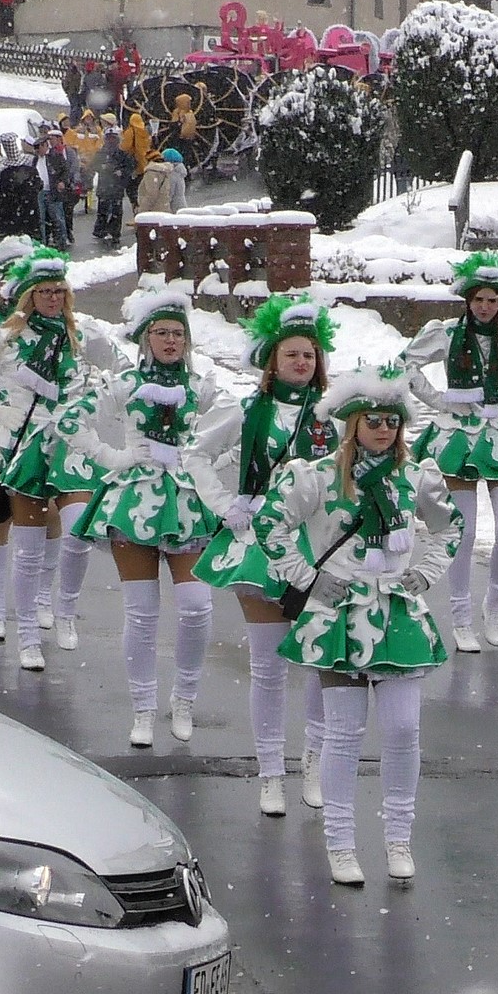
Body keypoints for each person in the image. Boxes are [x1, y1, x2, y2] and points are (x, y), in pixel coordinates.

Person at [257, 363, 463, 887]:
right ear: (352, 425)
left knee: (402, 729)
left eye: (391, 421)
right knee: (344, 734)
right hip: (340, 614)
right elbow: (269, 522)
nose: (383, 429)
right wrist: (308, 577)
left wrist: (424, 573)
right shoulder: (321, 475)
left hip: (397, 611)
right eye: (372, 420)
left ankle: (398, 838)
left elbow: (448, 528)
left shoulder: (417, 475)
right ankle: (342, 844)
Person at [188, 295, 339, 816]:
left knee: (321, 660)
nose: (302, 362)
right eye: (292, 354)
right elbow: (196, 454)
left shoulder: (336, 413)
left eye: (310, 355)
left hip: (321, 546)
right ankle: (270, 772)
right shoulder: (246, 409)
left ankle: (314, 764)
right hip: (258, 544)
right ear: (270, 361)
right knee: (269, 665)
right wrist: (225, 504)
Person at [64, 287, 232, 747]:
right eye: (162, 333)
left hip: (188, 504)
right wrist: (113, 457)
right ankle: (142, 708)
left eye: (179, 334)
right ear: (146, 338)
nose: (172, 341)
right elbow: (71, 421)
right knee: (141, 614)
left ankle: (184, 699)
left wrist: (205, 464)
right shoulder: (124, 384)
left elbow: (237, 428)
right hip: (133, 504)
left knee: (197, 607)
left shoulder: (203, 388)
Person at [0, 244, 90, 673]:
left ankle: (43, 599)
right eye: (11, 275)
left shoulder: (68, 331)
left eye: (56, 289)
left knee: (53, 518)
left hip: (46, 434)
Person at [400, 251, 498, 651]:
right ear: (467, 300)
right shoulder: (447, 333)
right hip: (457, 436)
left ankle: (494, 604)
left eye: (492, 300)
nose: (485, 307)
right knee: (461, 533)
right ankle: (461, 615)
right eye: (478, 299)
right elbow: (406, 365)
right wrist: (441, 401)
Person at [91, 129, 136, 245]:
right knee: (102, 210)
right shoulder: (101, 153)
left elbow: (131, 166)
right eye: (109, 138)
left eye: (113, 138)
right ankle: (100, 230)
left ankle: (115, 232)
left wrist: (121, 172)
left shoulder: (122, 154)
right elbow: (93, 165)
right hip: (104, 186)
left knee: (117, 211)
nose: (111, 141)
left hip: (116, 187)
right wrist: (102, 167)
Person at [36, 130, 77, 250]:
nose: (38, 151)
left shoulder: (55, 156)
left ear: (45, 146)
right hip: (40, 192)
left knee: (58, 218)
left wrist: (62, 182)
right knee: (41, 219)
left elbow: (65, 171)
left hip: (53, 192)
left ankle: (61, 241)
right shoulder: (36, 159)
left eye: (39, 148)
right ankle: (43, 241)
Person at [137, 148, 187, 216]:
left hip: (171, 209)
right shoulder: (180, 172)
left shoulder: (170, 174)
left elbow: (167, 194)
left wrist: (142, 210)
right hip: (180, 207)